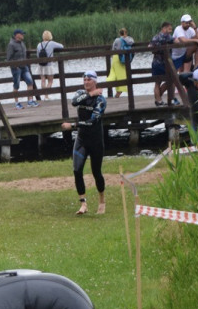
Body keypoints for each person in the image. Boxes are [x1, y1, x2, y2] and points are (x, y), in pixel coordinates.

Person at [62, 70, 107, 215]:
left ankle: (102, 200)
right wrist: (89, 94)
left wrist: (73, 126)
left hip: (96, 141)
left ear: (95, 81)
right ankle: (83, 204)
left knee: (96, 172)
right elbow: (74, 102)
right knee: (77, 170)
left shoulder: (101, 100)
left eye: (89, 80)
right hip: (82, 140)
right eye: (85, 79)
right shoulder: (80, 93)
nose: (86, 82)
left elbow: (92, 122)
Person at [149, 22, 183, 106]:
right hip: (162, 63)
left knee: (159, 82)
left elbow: (149, 46)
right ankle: (166, 99)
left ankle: (159, 100)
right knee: (170, 80)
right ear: (164, 28)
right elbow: (177, 42)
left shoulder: (156, 37)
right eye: (169, 29)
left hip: (157, 62)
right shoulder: (166, 37)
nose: (170, 31)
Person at [6, 29, 38, 109]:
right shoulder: (11, 45)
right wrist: (14, 66)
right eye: (22, 34)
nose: (23, 35)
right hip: (16, 68)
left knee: (30, 82)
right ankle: (17, 103)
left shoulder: (22, 43)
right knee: (16, 85)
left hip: (24, 67)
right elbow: (8, 59)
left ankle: (30, 101)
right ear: (17, 35)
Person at [106, 28, 134, 98]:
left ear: (119, 33)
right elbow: (132, 43)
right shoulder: (130, 40)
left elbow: (113, 49)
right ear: (126, 33)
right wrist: (127, 37)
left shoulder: (117, 40)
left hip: (117, 58)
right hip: (125, 58)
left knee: (114, 73)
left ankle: (105, 84)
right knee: (123, 76)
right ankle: (118, 94)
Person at [36, 31, 64, 100]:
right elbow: (62, 46)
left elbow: (37, 55)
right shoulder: (51, 43)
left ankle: (44, 96)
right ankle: (46, 95)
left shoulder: (39, 45)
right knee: (50, 81)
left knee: (43, 80)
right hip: (49, 65)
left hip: (41, 65)